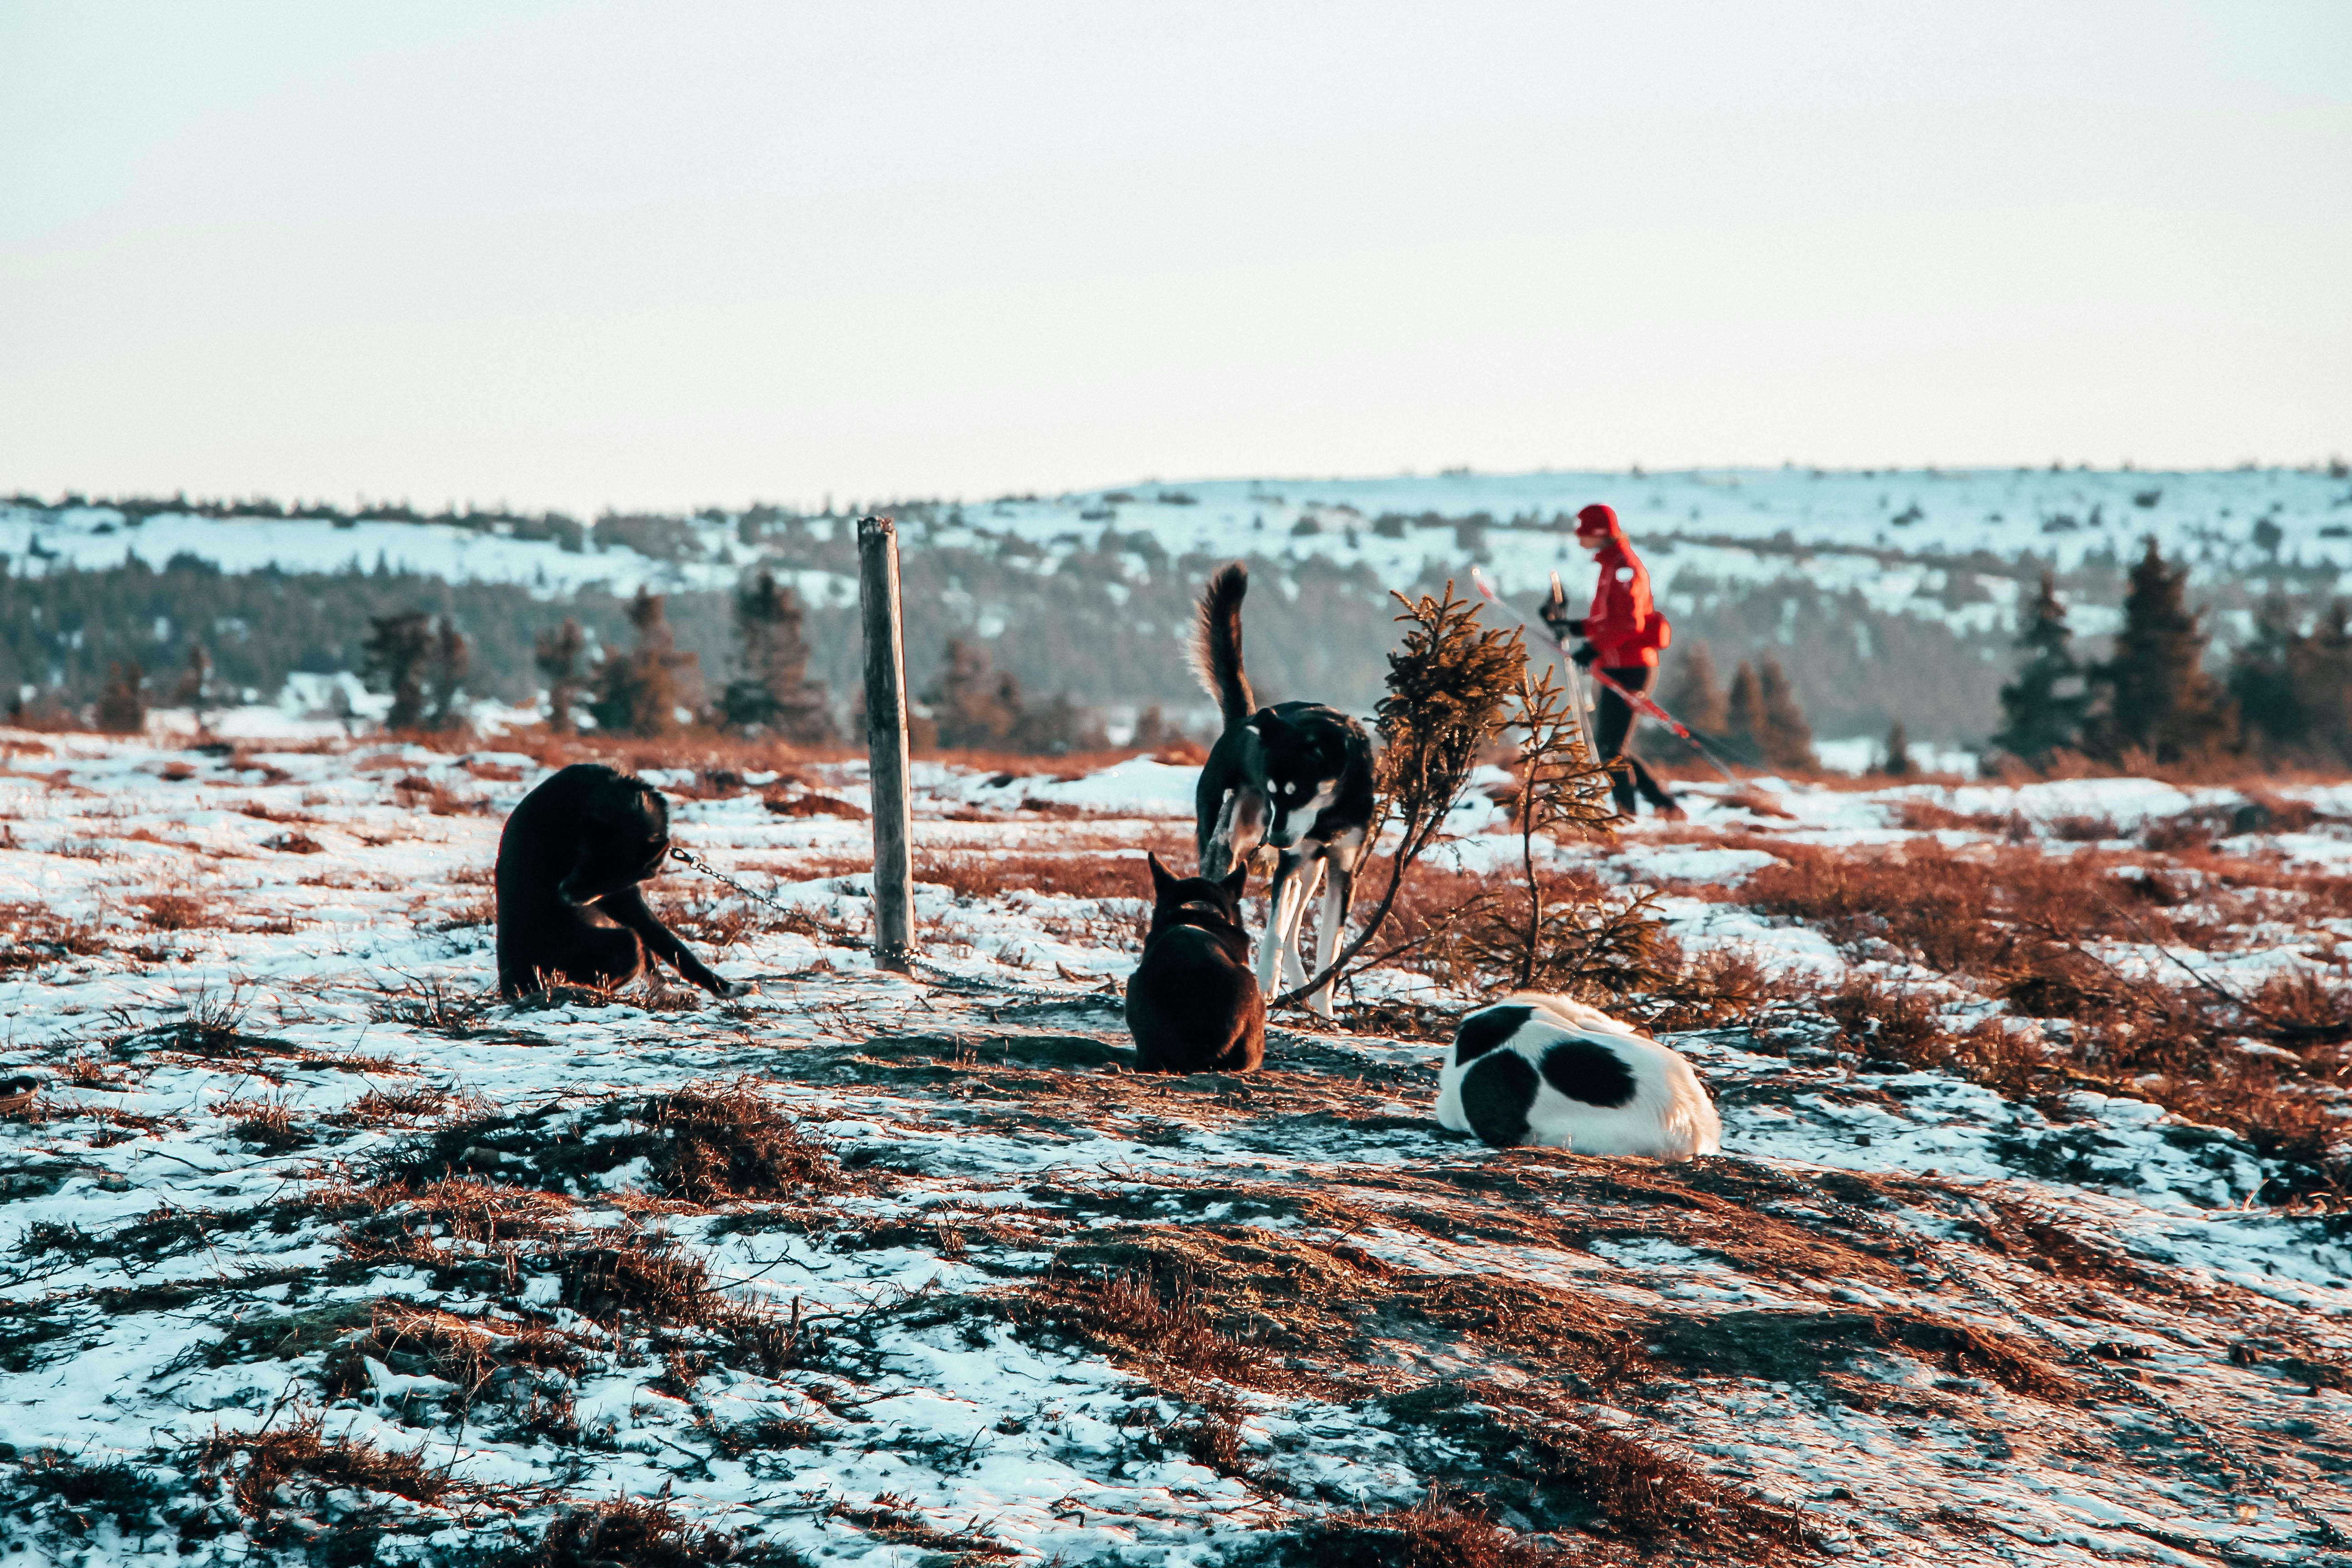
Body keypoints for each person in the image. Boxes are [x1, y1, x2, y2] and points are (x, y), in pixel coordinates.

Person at [1542, 503, 1681, 818]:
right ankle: (1664, 806)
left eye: (1583, 532)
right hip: (1617, 664)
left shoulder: (1623, 568)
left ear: (1600, 533)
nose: (1578, 539)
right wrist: (1576, 628)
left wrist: (1592, 647)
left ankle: (1627, 816)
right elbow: (1610, 620)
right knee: (1612, 747)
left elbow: (1629, 625)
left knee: (1609, 750)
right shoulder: (1613, 565)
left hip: (1631, 667)